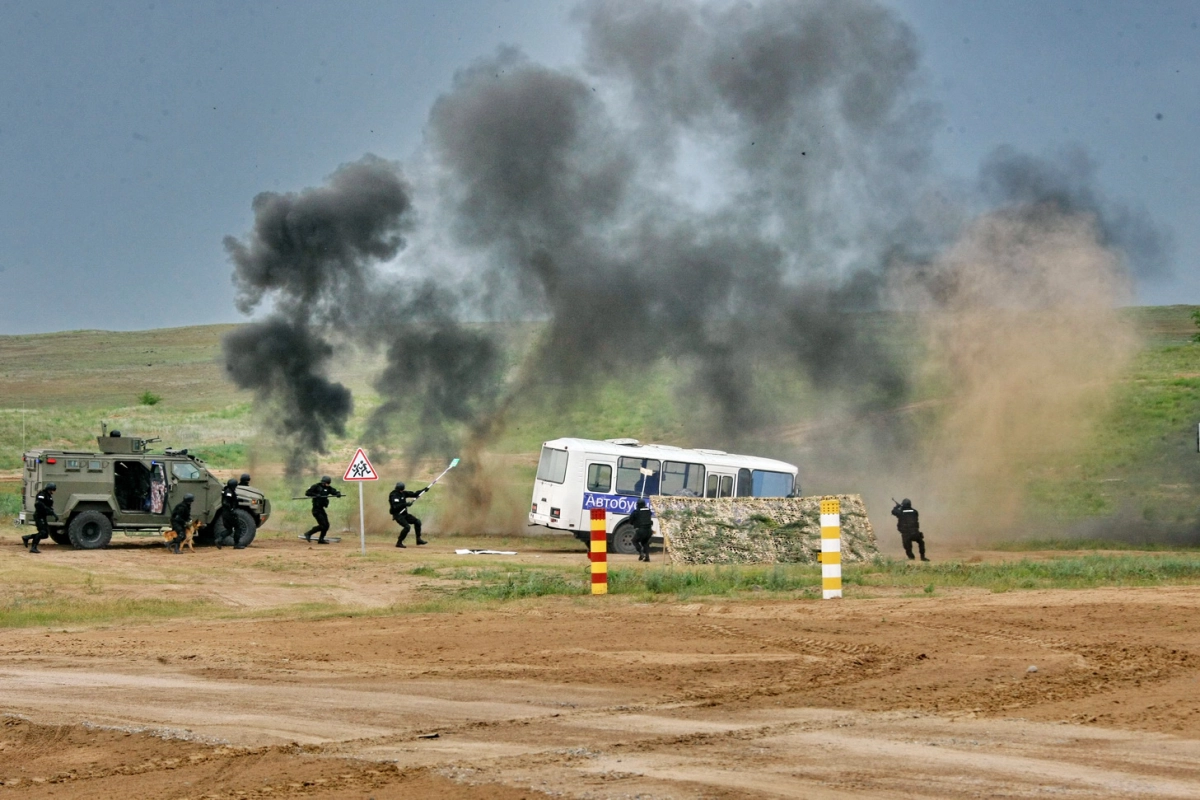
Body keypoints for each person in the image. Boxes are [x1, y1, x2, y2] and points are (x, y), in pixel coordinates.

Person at [304, 475, 342, 544]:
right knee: (323, 525)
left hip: (321, 509)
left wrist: (337, 494)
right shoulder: (316, 486)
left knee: (326, 525)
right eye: (327, 483)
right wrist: (315, 495)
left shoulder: (328, 488)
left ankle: (321, 540)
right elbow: (307, 493)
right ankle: (308, 533)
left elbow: (334, 491)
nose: (328, 485)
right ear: (323, 482)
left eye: (328, 483)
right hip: (316, 510)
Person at [388, 481, 427, 547]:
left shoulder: (403, 493)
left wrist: (424, 490)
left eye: (402, 490)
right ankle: (399, 542)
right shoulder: (394, 495)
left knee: (417, 522)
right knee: (407, 527)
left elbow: (414, 494)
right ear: (397, 489)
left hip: (404, 514)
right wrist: (406, 504)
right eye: (400, 490)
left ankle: (418, 539)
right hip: (398, 515)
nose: (401, 491)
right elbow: (396, 506)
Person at [24, 483, 56, 554]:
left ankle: (27, 537)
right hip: (39, 516)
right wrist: (48, 510)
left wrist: (53, 514)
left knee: (45, 535)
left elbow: (48, 506)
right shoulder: (42, 494)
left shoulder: (48, 495)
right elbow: (38, 504)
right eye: (53, 490)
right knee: (43, 532)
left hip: (43, 516)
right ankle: (33, 547)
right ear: (49, 489)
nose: (54, 492)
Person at [219, 477, 243, 549]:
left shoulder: (227, 490)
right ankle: (237, 544)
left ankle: (219, 539)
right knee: (238, 527)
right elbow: (226, 502)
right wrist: (232, 510)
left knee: (229, 530)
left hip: (225, 513)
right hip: (229, 513)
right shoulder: (229, 492)